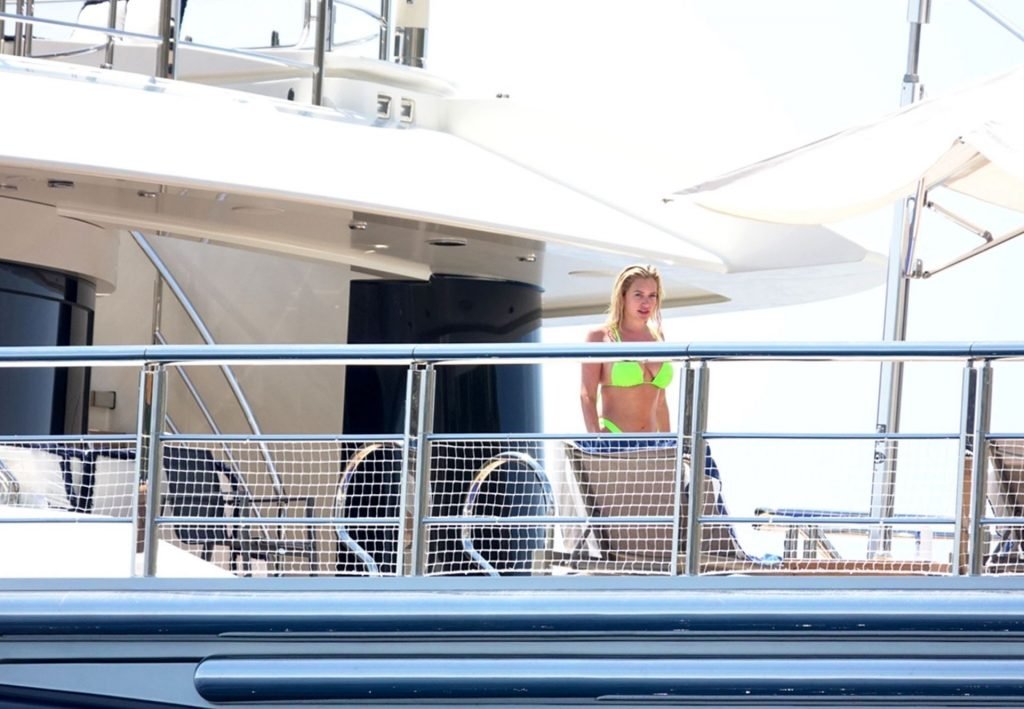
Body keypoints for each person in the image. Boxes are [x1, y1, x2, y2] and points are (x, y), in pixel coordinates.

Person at [581, 264, 672, 434]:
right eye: (638, 295)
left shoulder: (658, 337)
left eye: (652, 295)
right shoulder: (600, 337)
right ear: (623, 296)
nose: (646, 302)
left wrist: (671, 442)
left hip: (652, 442)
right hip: (614, 438)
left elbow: (660, 401)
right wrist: (596, 441)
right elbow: (587, 395)